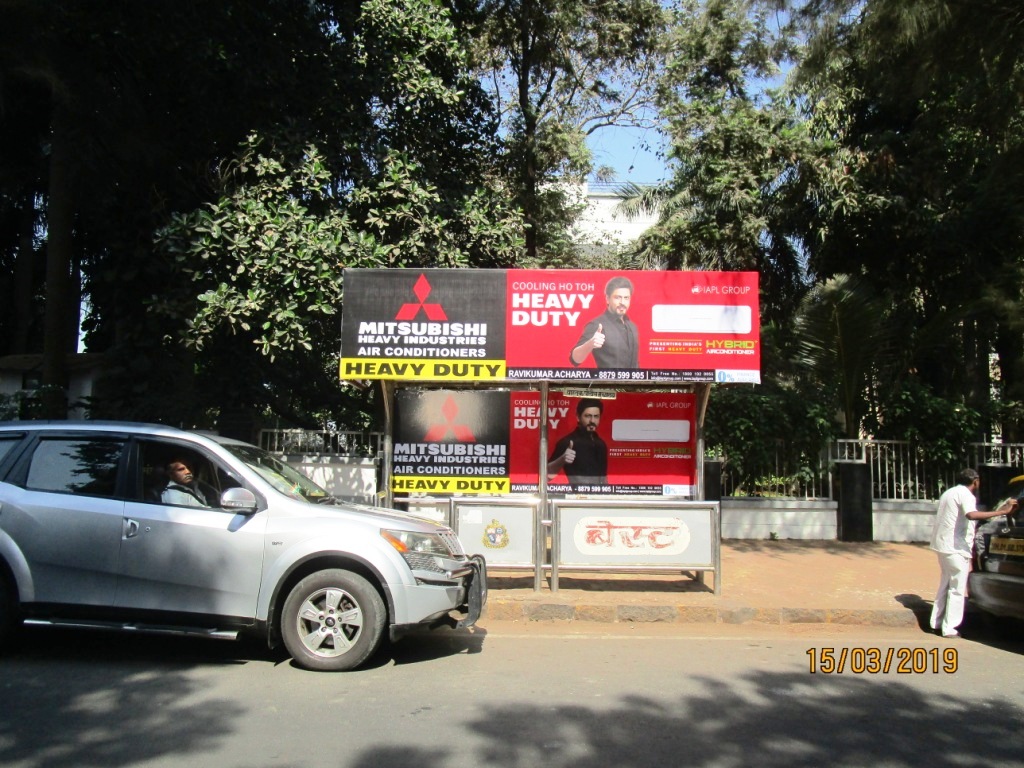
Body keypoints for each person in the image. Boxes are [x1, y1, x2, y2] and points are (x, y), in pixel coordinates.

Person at [929, 468, 1017, 637]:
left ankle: (936, 622)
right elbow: (971, 515)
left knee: (945, 584)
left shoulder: (949, 492)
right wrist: (1002, 512)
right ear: (975, 481)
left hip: (943, 545)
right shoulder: (966, 495)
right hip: (956, 547)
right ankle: (949, 628)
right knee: (957, 588)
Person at [570, 276, 639, 369]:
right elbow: (575, 359)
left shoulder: (632, 326)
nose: (622, 302)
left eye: (626, 298)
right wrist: (590, 344)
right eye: (617, 298)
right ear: (607, 299)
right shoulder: (597, 325)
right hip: (607, 378)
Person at [547, 398, 608, 487]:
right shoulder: (568, 442)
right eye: (587, 416)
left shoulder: (601, 444)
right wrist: (561, 460)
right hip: (576, 494)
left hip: (599, 494)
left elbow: (604, 479)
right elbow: (546, 476)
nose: (592, 421)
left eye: (596, 416)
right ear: (578, 417)